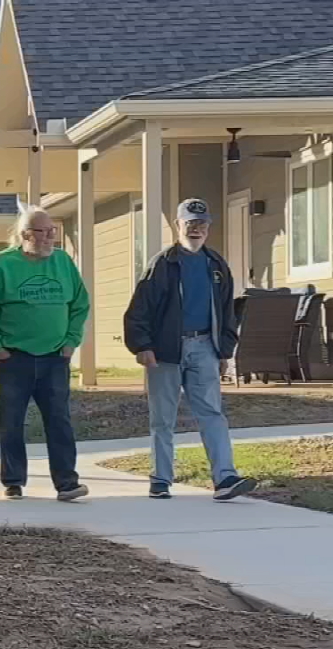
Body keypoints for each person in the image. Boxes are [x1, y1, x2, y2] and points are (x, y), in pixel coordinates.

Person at [124, 199, 253, 501]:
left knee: (212, 413)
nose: (196, 229)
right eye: (190, 223)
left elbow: (227, 313)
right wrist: (142, 345)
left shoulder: (216, 265)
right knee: (163, 417)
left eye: (202, 224)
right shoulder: (163, 264)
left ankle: (225, 478)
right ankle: (160, 478)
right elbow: (139, 309)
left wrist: (224, 350)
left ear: (208, 227)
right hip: (166, 350)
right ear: (178, 226)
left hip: (205, 346)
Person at [0, 205, 90, 502]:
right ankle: (13, 481)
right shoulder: (3, 265)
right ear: (26, 234)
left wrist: (71, 341)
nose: (51, 237)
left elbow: (80, 304)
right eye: (44, 232)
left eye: (53, 231)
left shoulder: (63, 262)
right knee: (12, 421)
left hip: (55, 356)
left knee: (60, 420)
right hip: (15, 357)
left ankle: (67, 483)